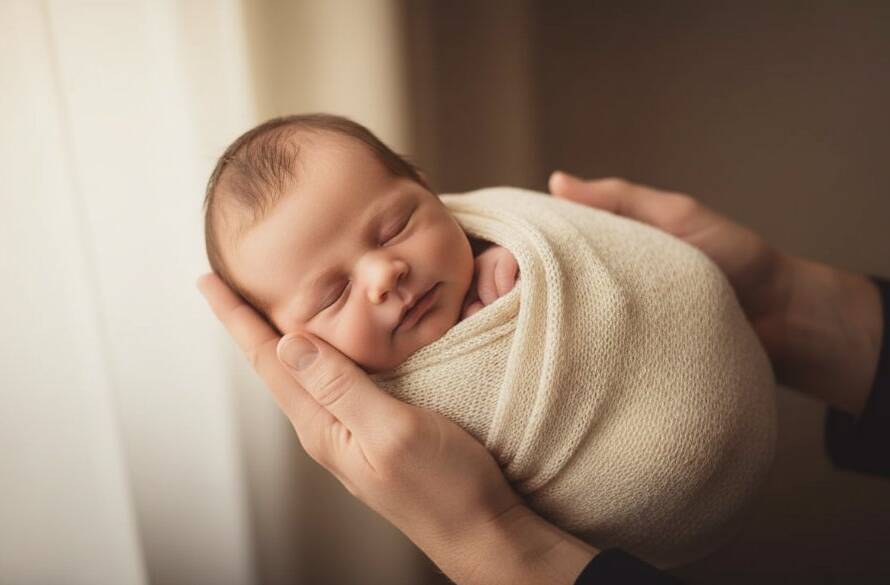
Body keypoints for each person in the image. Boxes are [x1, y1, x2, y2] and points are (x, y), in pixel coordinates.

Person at [198, 171, 887, 584]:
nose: (385, 274)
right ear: (299, 345)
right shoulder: (389, 417)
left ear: (437, 195)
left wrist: (493, 543)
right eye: (332, 295)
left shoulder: (493, 243)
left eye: (394, 225)